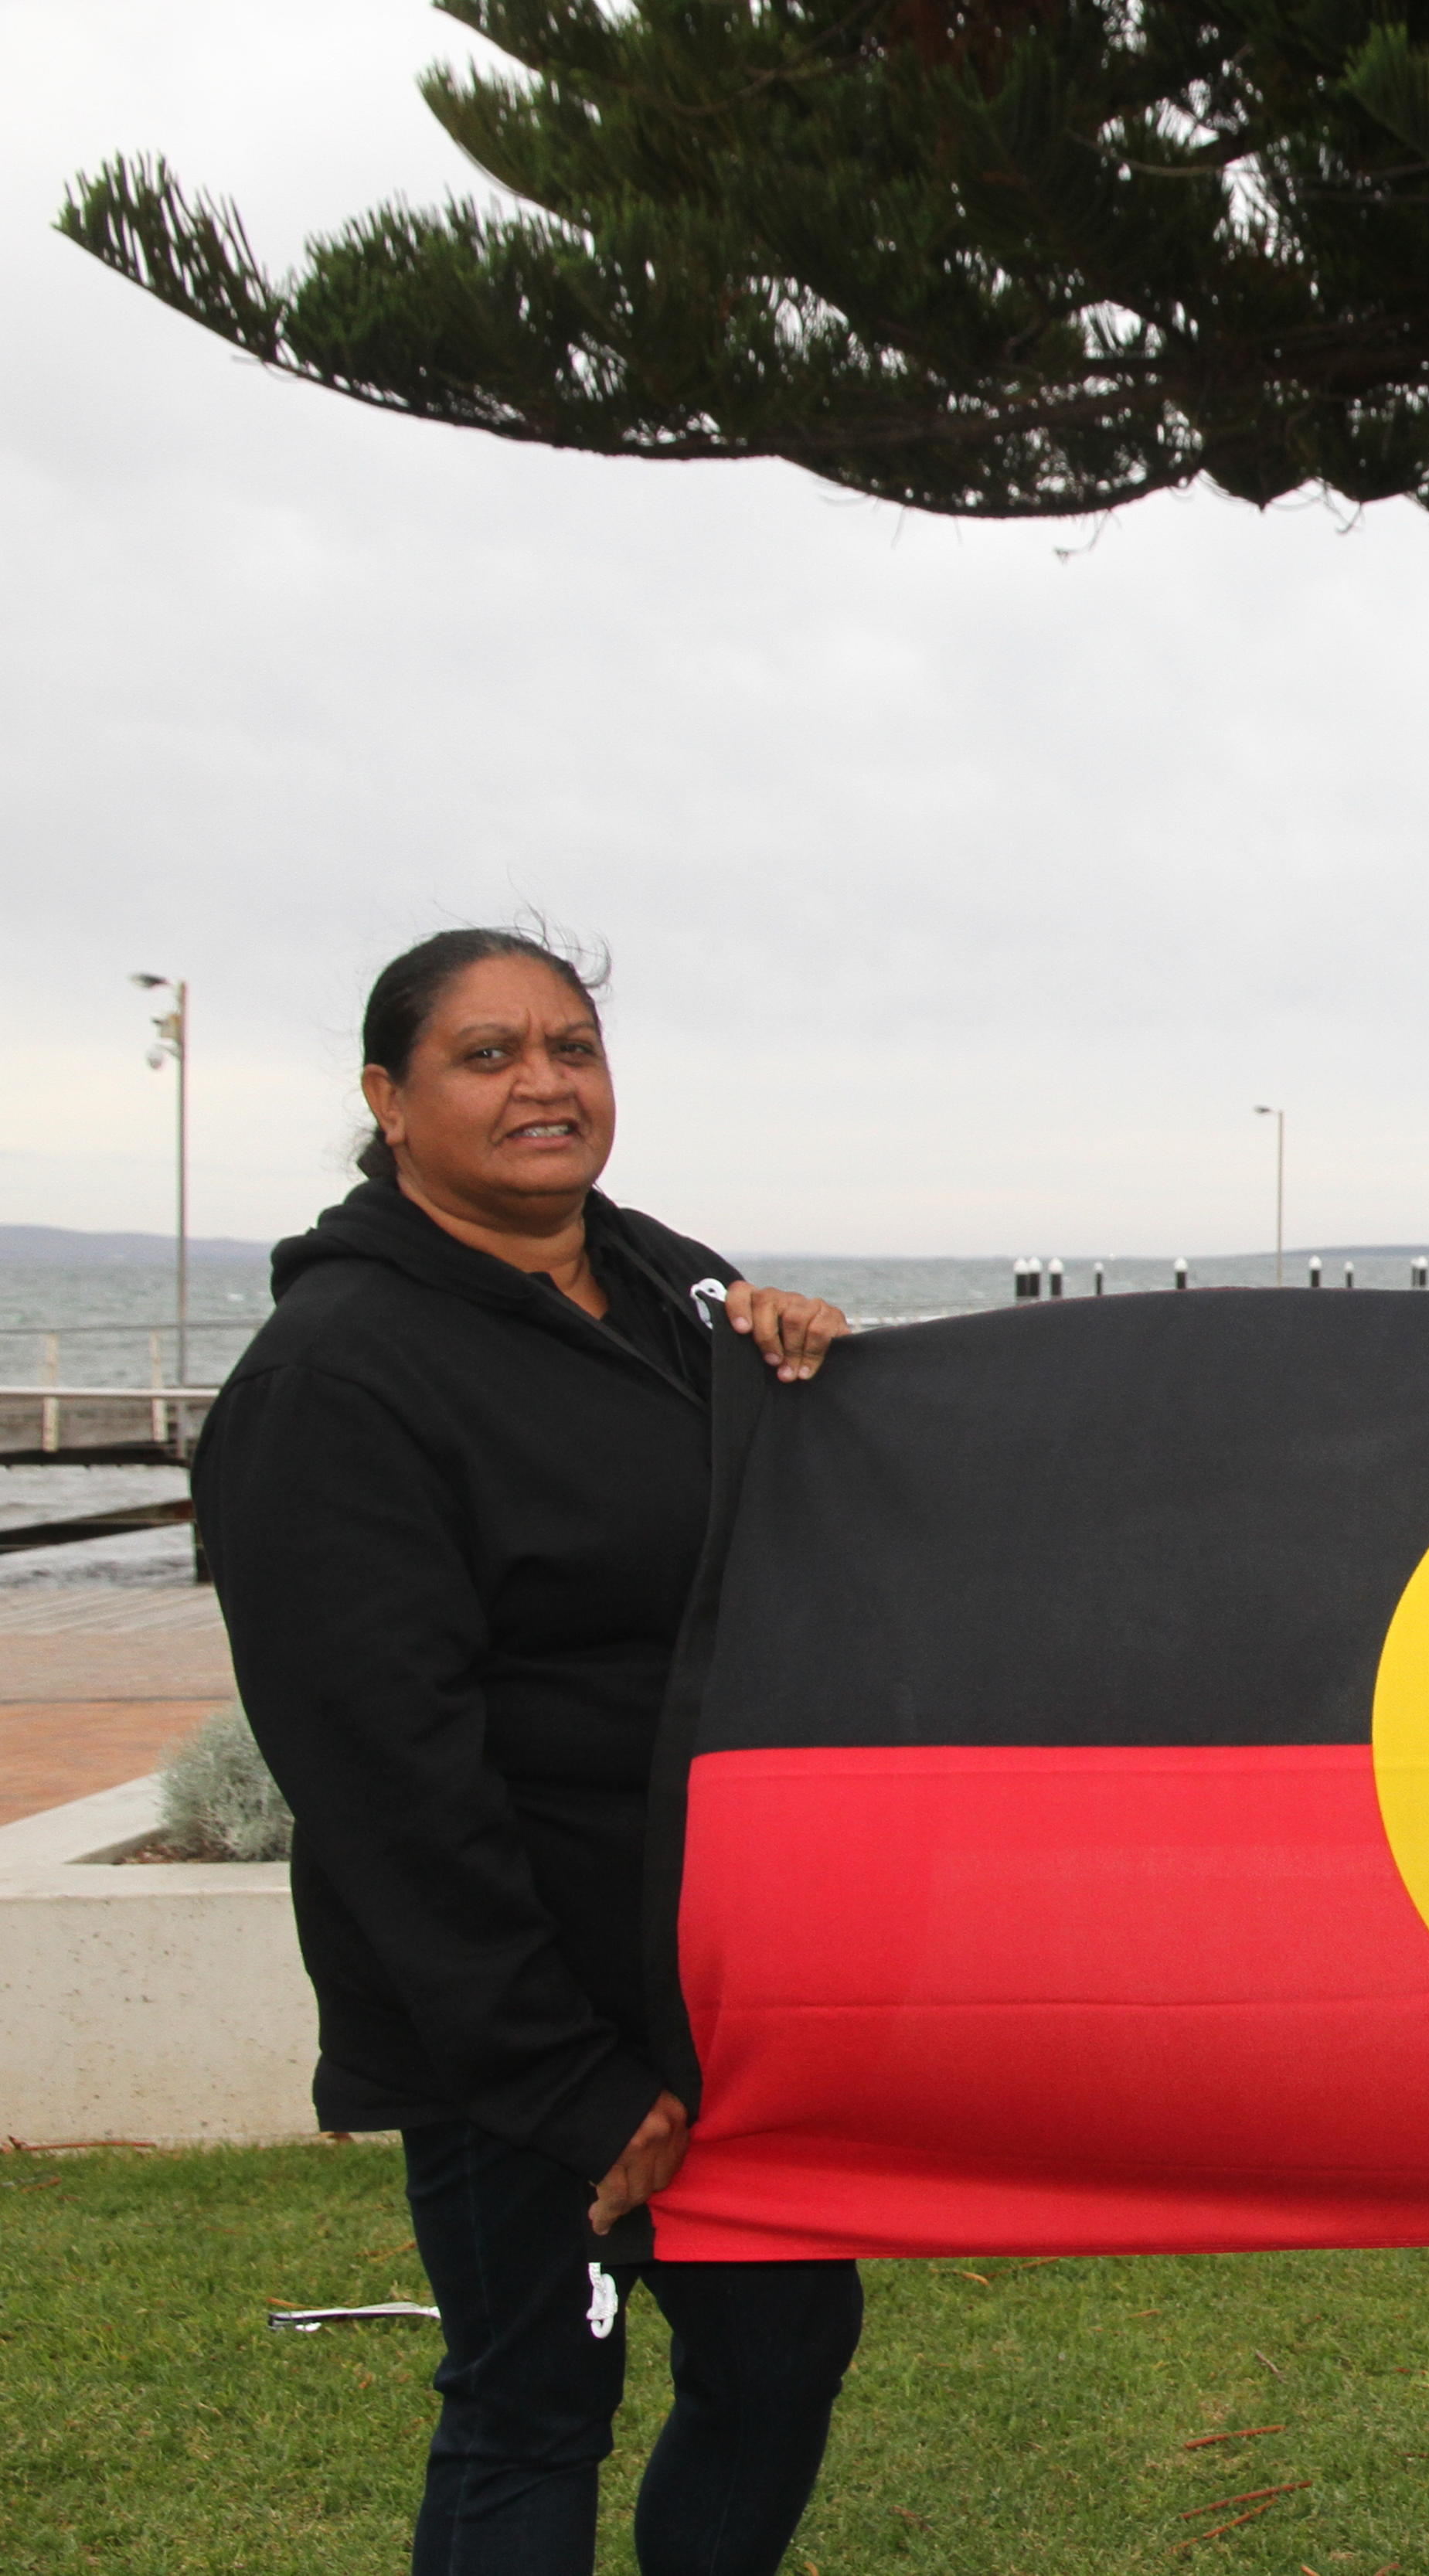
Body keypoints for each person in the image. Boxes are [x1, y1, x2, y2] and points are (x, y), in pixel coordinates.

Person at [194, 928, 866, 2576]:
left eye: (570, 1044)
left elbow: (773, 1530)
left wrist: (794, 1356)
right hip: (516, 2015)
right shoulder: (337, 1373)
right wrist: (557, 2076)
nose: (544, 1081)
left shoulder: (663, 1281)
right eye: (486, 1054)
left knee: (780, 2362)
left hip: (721, 1984)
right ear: (390, 1099)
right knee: (532, 2407)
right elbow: (378, 1768)